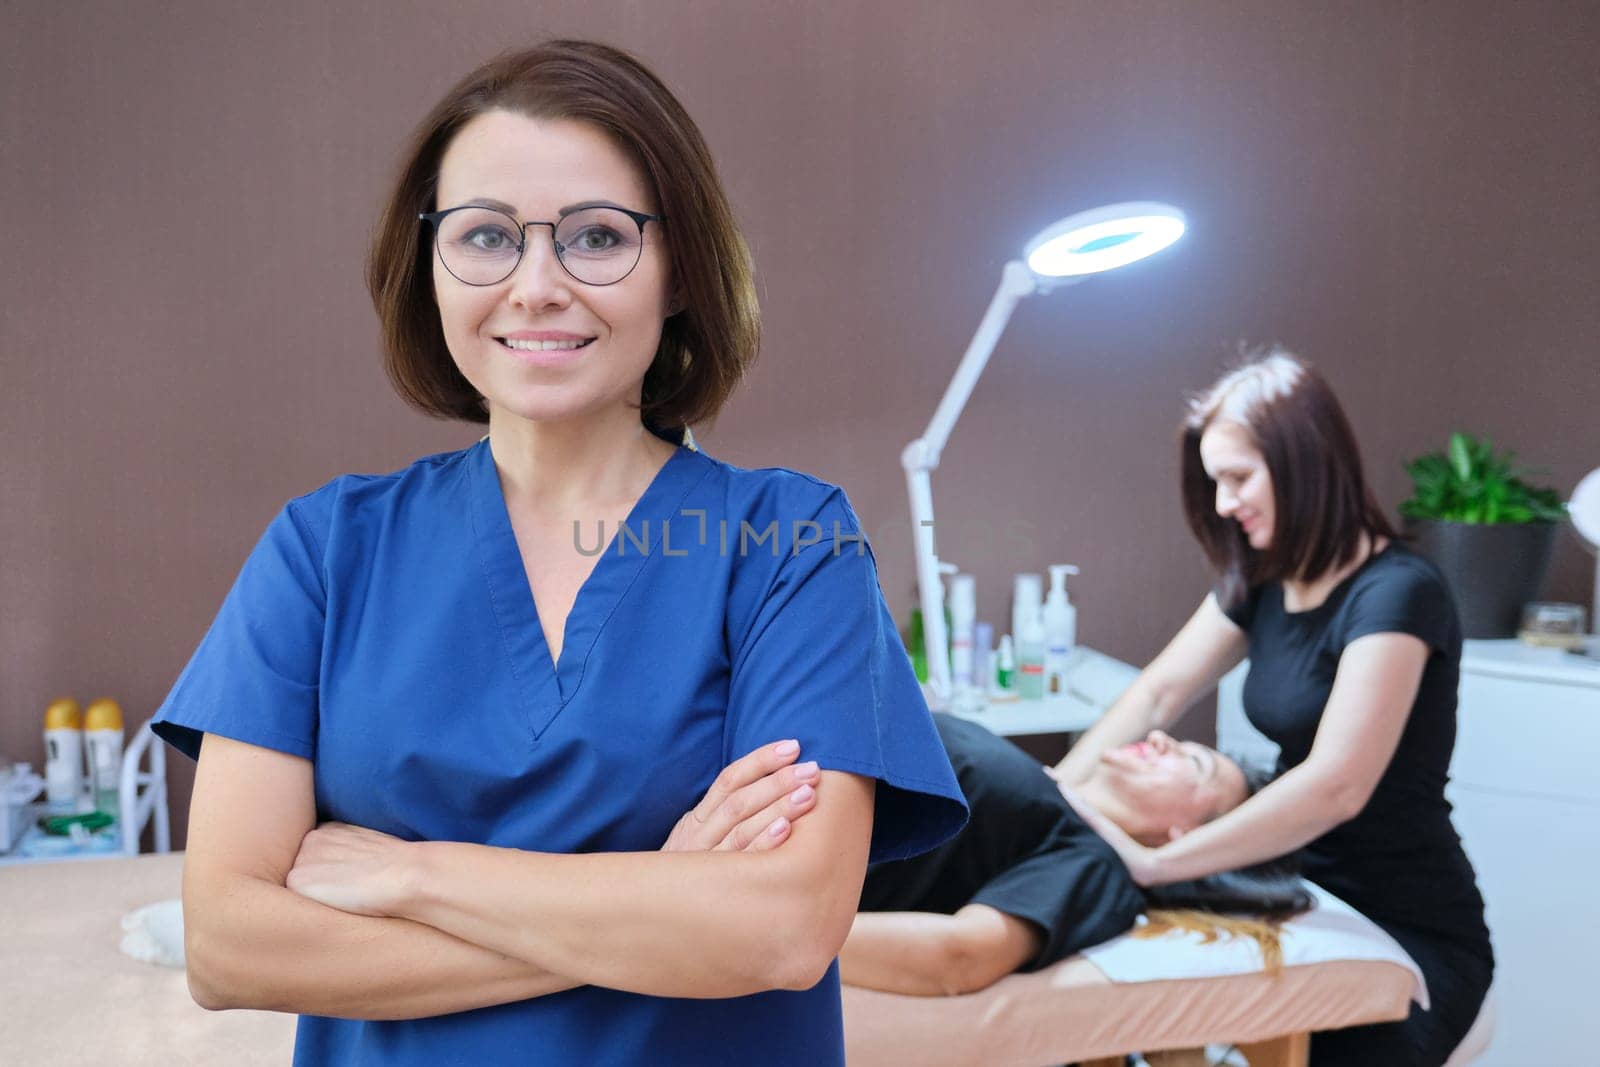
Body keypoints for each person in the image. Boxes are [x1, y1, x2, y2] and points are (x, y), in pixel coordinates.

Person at [150, 40, 967, 1066]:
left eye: (595, 237)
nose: (537, 286)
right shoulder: (325, 549)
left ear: (679, 271)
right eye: (487, 235)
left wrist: (419, 876)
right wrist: (663, 896)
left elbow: (782, 927)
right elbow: (229, 945)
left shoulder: (787, 542)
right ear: (431, 268)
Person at [1051, 349, 1492, 1066]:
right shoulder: (1262, 580)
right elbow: (1158, 693)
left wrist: (1159, 863)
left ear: (1304, 463)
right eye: (1216, 481)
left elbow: (1336, 784)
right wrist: (1054, 794)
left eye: (1237, 477)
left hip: (1406, 917)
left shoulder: (1398, 593)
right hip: (1290, 889)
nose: (1224, 503)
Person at [839, 711, 1304, 997]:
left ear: (1183, 837)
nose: (1163, 739)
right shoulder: (1054, 791)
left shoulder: (1095, 863)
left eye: (1192, 762)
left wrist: (786, 931)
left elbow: (963, 956)